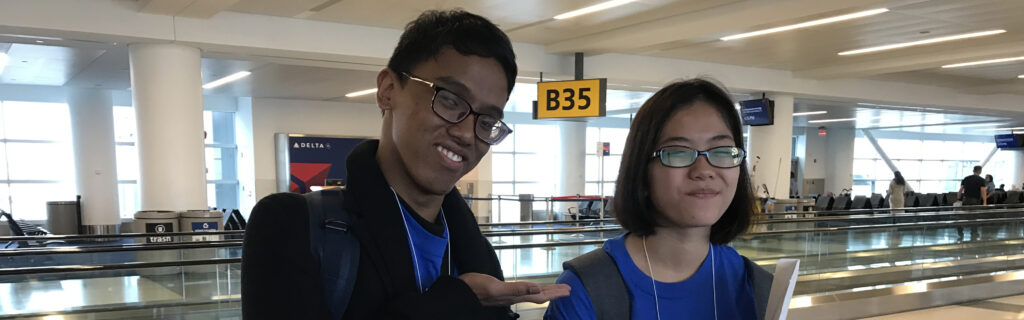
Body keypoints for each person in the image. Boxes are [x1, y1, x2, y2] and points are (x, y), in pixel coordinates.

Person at [242, 10, 569, 319]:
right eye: (450, 100)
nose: (467, 134)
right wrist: (457, 299)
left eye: (486, 120)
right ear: (387, 90)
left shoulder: (473, 250)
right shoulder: (293, 227)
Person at [544, 79, 771, 320]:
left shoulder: (759, 288)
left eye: (723, 151)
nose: (704, 170)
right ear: (641, 168)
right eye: (677, 152)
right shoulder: (587, 291)